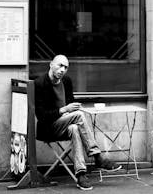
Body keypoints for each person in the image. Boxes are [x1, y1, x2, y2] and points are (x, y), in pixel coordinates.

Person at [35, 54, 121, 190]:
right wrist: (65, 109)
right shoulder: (40, 84)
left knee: (75, 128)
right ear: (51, 64)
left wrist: (72, 109)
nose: (62, 70)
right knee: (79, 116)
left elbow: (70, 104)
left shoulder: (66, 81)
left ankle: (80, 174)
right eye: (60, 65)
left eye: (66, 67)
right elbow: (41, 116)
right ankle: (97, 157)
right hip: (49, 128)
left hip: (66, 124)